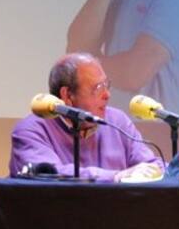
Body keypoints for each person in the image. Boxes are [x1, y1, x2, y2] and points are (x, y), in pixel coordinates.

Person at [10, 53, 164, 182]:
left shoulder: (117, 121)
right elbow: (49, 174)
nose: (107, 94)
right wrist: (116, 177)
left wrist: (162, 170)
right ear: (67, 95)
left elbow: (151, 165)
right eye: (98, 88)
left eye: (106, 85)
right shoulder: (31, 130)